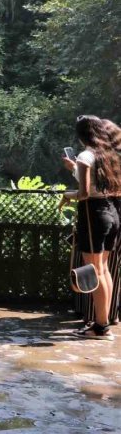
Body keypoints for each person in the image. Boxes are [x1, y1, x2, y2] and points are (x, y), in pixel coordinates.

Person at [59, 115, 121, 340]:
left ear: (81, 134)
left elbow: (84, 193)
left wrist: (68, 195)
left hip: (94, 215)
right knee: (103, 269)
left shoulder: (86, 155)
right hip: (112, 214)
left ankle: (100, 327)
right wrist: (74, 168)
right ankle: (102, 323)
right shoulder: (109, 155)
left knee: (93, 272)